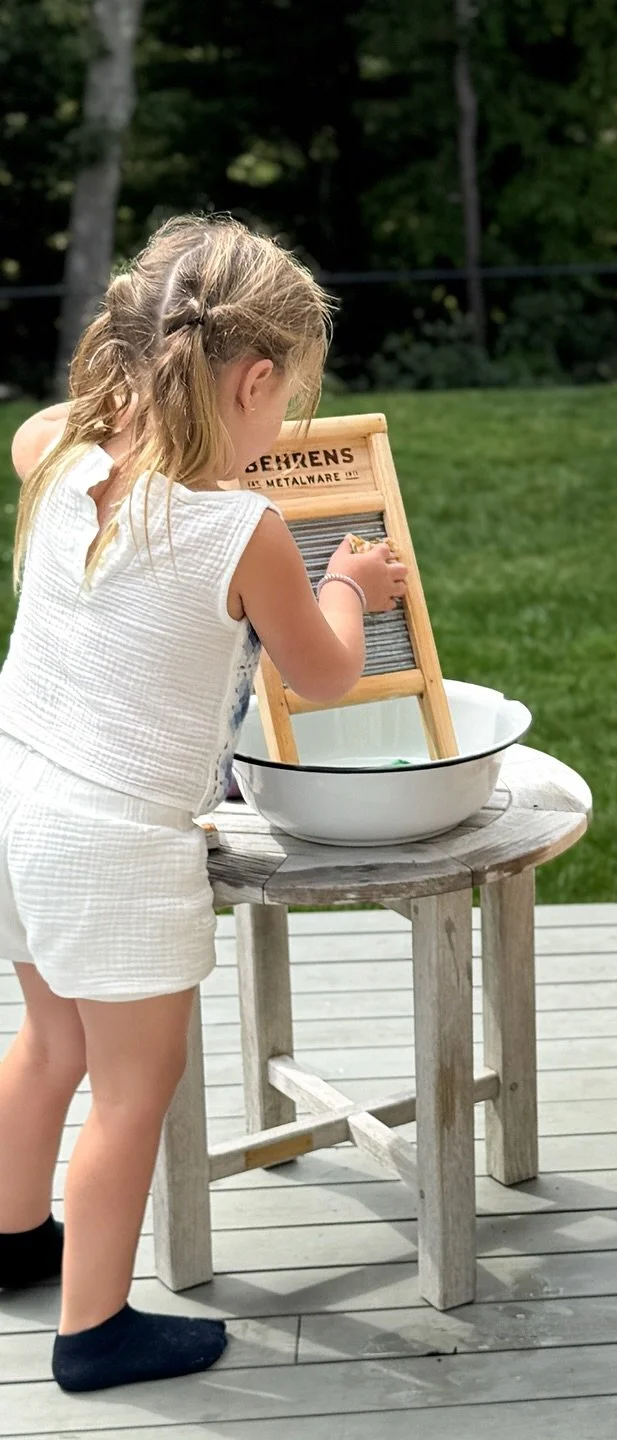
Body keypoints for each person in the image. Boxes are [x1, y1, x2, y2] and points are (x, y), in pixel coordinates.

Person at [0, 215, 407, 1393]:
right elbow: (326, 675)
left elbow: (37, 431)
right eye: (284, 407)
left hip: (16, 797)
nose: (281, 434)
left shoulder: (66, 460)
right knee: (135, 1093)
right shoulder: (246, 529)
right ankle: (96, 1334)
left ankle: (17, 1240)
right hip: (114, 843)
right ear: (256, 378)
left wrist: (117, 411)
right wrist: (344, 582)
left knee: (51, 1042)